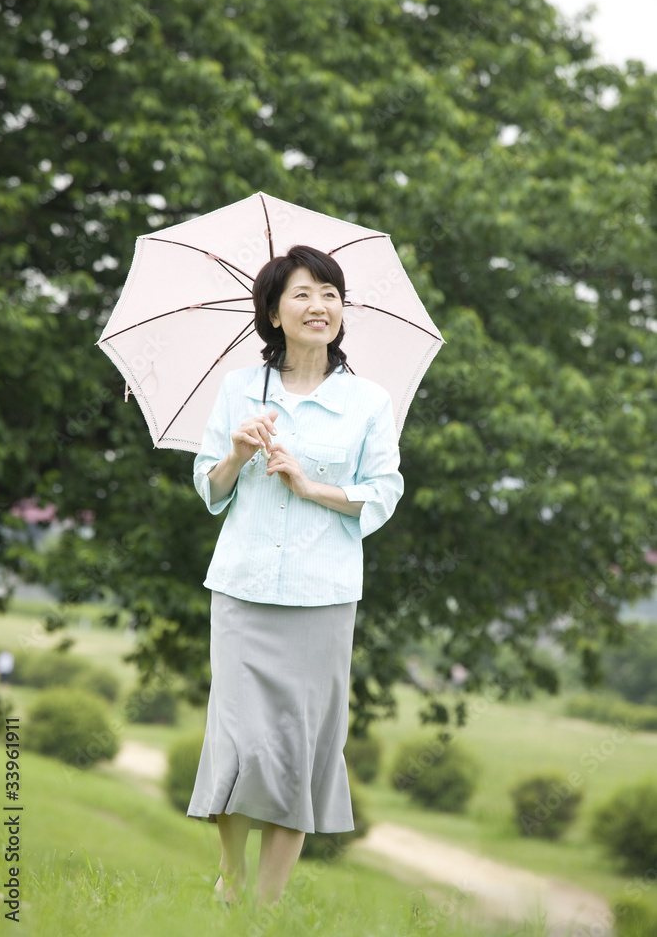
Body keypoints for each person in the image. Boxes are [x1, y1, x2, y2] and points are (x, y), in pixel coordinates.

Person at [186, 244, 404, 909]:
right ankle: (230, 877)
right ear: (274, 313)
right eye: (303, 294)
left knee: (298, 749)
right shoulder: (238, 390)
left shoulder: (368, 401)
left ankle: (266, 906)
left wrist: (311, 487)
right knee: (238, 741)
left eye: (330, 294)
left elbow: (384, 492)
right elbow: (209, 489)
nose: (319, 306)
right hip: (243, 590)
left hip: (321, 599)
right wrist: (235, 453)